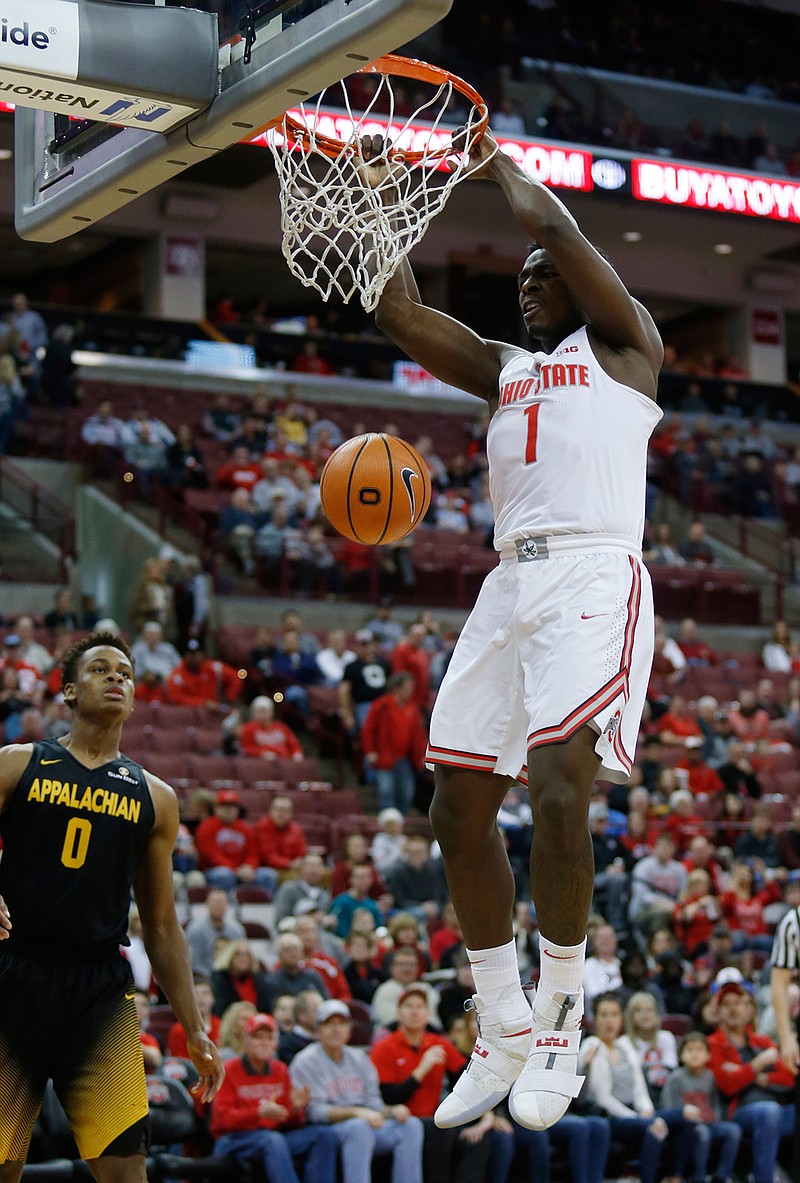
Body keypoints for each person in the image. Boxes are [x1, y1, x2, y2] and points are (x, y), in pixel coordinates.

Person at [361, 117, 663, 1132]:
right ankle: (497, 1022)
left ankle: (560, 1022)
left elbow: (550, 220)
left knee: (559, 788)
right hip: (509, 584)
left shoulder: (626, 350)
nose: (526, 285)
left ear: (582, 284)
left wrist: (479, 153)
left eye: (543, 276)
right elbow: (397, 312)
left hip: (589, 571)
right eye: (520, 278)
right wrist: (376, 199)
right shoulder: (504, 367)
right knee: (453, 811)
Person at [0, 630, 224, 1181]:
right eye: (101, 670)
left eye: (125, 672)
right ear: (70, 692)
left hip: (100, 984)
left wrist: (194, 1028)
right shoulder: (18, 763)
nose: (117, 678)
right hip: (15, 972)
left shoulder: (156, 797)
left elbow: (163, 924)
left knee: (126, 1170)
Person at [289, 998, 425, 1183]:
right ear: (318, 1028)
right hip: (328, 1130)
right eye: (329, 1024)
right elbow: (315, 1112)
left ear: (349, 1029)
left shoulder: (359, 1058)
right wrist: (357, 1113)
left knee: (411, 1125)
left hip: (366, 1124)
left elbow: (374, 1103)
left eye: (341, 1023)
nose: (336, 1029)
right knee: (358, 1128)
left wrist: (392, 1111)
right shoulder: (305, 1061)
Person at [210, 1011, 339, 1183]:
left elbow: (290, 1120)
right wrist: (258, 1113)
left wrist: (295, 1109)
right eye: (258, 1037)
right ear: (245, 1041)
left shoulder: (280, 1070)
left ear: (275, 1044)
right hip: (233, 1140)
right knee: (272, 1140)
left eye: (269, 1038)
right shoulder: (228, 1070)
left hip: (272, 1138)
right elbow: (221, 1121)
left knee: (324, 1135)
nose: (264, 1043)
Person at [708, 978, 795, 1183]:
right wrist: (758, 1064)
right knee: (768, 1112)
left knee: (776, 1112)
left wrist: (756, 1076)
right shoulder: (713, 1044)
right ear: (718, 1012)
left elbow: (789, 1078)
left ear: (747, 1009)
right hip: (738, 1112)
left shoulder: (762, 1041)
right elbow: (727, 1085)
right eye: (726, 1005)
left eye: (737, 1003)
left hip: (776, 1108)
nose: (733, 1009)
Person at [659, 1031, 742, 1183]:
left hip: (709, 1123)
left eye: (699, 1049)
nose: (694, 1054)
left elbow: (715, 1103)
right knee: (702, 1133)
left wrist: (715, 1119)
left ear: (708, 1055)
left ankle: (721, 1176)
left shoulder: (710, 1076)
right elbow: (668, 1106)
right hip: (687, 1128)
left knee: (733, 1130)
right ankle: (699, 1177)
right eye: (689, 1050)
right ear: (681, 1055)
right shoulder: (675, 1078)